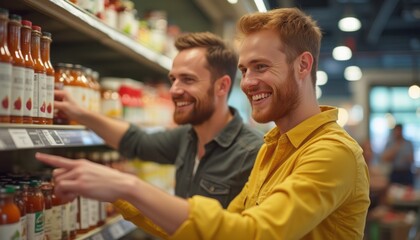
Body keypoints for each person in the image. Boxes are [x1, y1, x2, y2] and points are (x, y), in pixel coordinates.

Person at [36, 7, 370, 239]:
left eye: (261, 67)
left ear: (303, 66)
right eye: (244, 70)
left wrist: (128, 186)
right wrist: (118, 193)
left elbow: (255, 233)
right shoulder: (272, 148)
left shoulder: (332, 152)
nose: (249, 82)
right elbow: (225, 225)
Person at [51, 31, 264, 208]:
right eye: (173, 79)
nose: (174, 90)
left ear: (222, 86)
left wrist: (126, 187)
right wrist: (80, 113)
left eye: (188, 80)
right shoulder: (187, 137)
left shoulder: (254, 153)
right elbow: (136, 142)